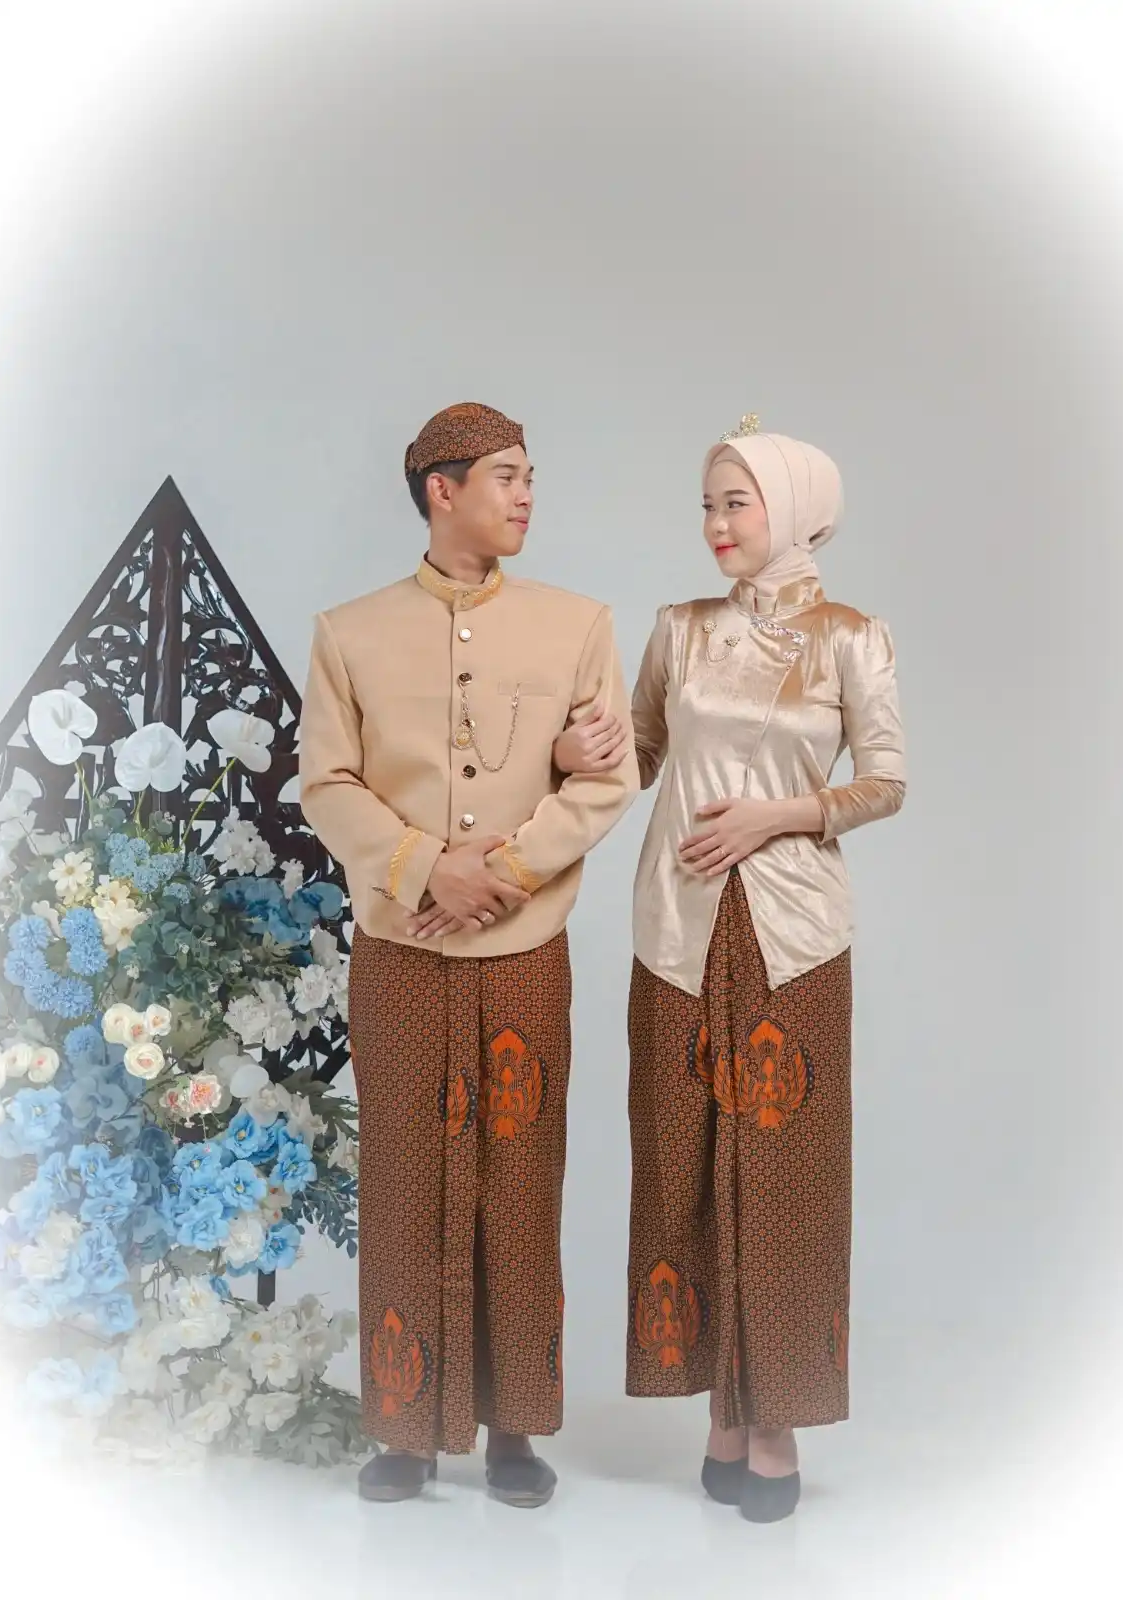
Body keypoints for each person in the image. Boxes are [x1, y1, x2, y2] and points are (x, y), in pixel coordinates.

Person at [558, 415, 906, 1523]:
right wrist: (575, 756)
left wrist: (777, 815)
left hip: (794, 936)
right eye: (708, 504)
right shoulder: (681, 629)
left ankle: (776, 1420)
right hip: (676, 926)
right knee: (681, 1161)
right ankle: (719, 1404)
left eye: (736, 503)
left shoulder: (852, 637)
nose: (715, 523)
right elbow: (639, 753)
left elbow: (887, 780)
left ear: (793, 510)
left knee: (787, 1175)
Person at [298, 402, 639, 1507]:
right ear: (441, 491)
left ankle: (514, 1430)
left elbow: (609, 778)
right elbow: (326, 783)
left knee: (522, 1179)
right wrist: (419, 867)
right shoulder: (348, 632)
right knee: (403, 1177)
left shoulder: (578, 624)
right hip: (400, 948)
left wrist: (502, 871)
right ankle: (404, 1429)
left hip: (525, 944)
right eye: (506, 476)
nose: (526, 495)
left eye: (531, 475)